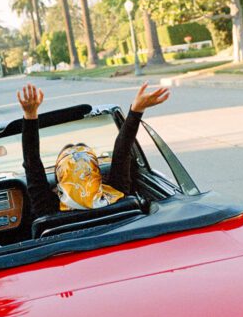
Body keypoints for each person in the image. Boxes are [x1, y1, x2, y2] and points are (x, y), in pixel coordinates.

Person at [17, 82, 170, 219]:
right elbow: (121, 154)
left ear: (59, 180)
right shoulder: (116, 194)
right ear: (97, 174)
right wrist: (136, 110)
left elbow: (32, 164)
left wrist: (30, 116)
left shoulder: (48, 208)